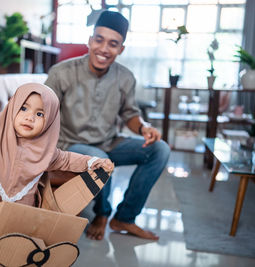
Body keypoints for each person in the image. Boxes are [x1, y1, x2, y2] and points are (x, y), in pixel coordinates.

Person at [45, 11, 170, 240]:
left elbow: (130, 114)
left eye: (113, 44)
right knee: (100, 158)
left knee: (160, 149)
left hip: (109, 142)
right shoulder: (61, 72)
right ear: (90, 40)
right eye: (99, 40)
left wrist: (144, 127)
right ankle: (102, 214)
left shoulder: (126, 77)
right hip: (70, 144)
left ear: (121, 49)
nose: (104, 49)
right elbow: (43, 112)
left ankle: (125, 218)